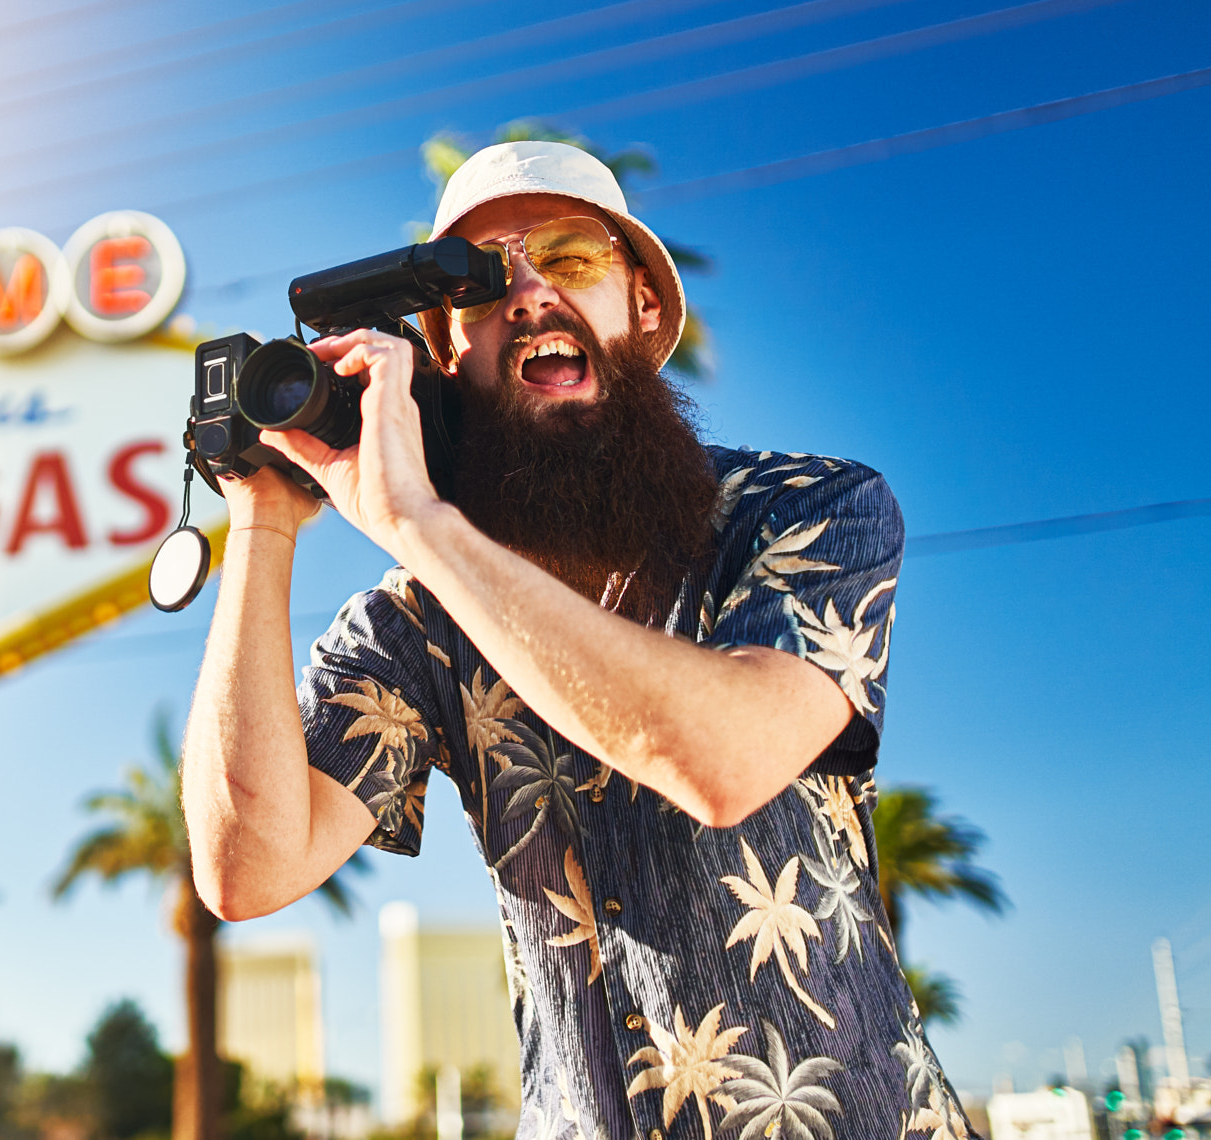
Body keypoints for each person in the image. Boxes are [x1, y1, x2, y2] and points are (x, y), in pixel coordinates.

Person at [180, 140, 977, 1140]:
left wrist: (420, 525)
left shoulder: (802, 510)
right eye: (477, 285)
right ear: (443, 350)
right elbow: (247, 869)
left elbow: (722, 762)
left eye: (568, 258)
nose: (523, 294)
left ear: (640, 308)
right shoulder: (411, 626)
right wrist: (261, 517)